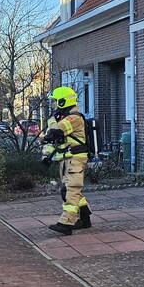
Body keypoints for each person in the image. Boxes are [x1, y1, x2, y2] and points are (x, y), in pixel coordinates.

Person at [41, 86, 92, 235]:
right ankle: (85, 217)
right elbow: (54, 142)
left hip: (76, 158)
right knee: (70, 190)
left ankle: (66, 223)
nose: (54, 104)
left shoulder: (74, 118)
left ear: (63, 102)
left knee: (70, 190)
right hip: (66, 158)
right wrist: (46, 157)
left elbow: (56, 131)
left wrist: (52, 122)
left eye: (56, 101)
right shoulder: (62, 117)